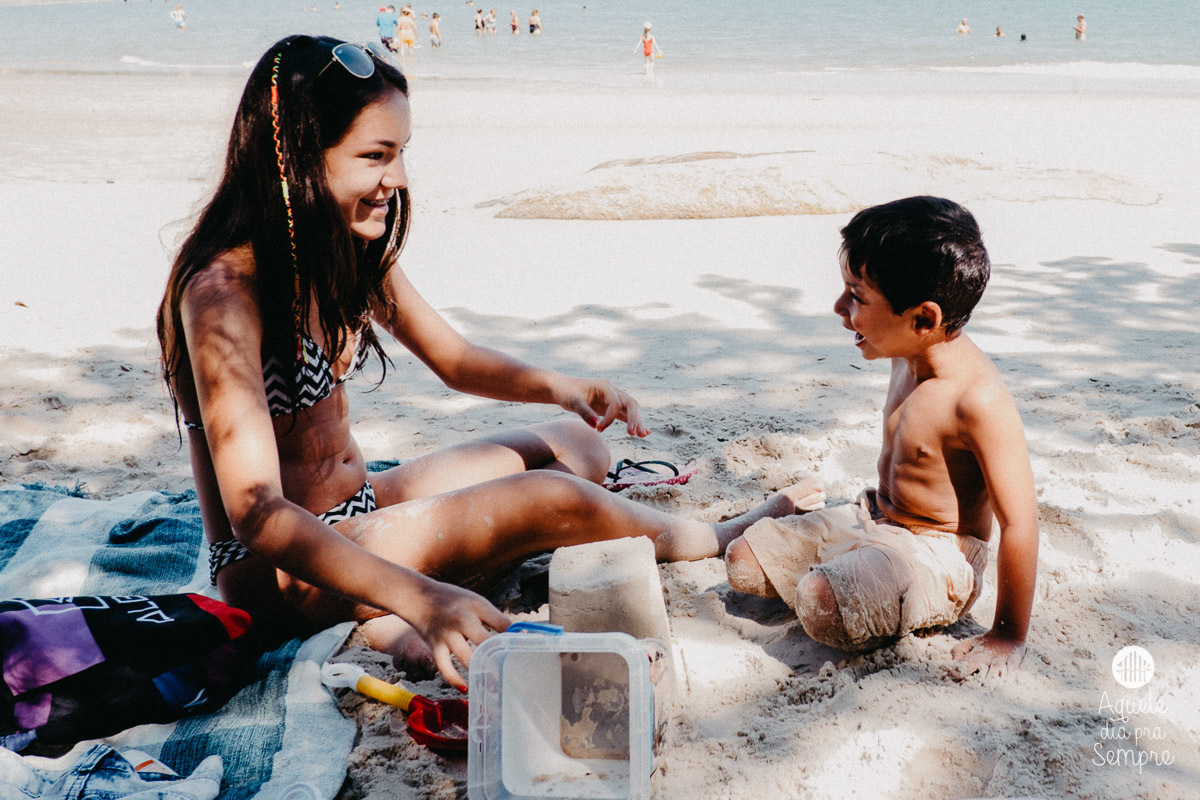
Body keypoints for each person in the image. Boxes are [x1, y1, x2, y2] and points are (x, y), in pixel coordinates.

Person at [156, 35, 825, 691]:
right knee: (551, 497)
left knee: (577, 447)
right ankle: (708, 534)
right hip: (277, 570)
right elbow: (256, 513)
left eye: (401, 154)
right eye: (374, 156)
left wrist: (563, 389)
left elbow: (453, 359)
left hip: (358, 508)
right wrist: (422, 599)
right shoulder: (223, 295)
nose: (396, 179)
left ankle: (406, 597)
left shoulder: (338, 249)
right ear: (297, 159)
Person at [724, 196, 1039, 678]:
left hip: (936, 552)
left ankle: (854, 577)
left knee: (820, 601)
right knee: (742, 561)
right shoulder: (905, 352)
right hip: (871, 517)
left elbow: (1020, 523)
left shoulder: (977, 400)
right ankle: (852, 565)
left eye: (857, 296)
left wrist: (1007, 635)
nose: (838, 307)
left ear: (924, 319)